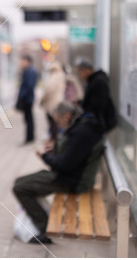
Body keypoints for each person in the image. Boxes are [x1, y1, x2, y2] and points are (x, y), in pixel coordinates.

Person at [13, 101, 105, 244]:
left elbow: (64, 164)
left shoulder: (82, 131)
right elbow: (72, 154)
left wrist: (45, 156)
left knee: (20, 188)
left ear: (67, 115)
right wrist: (56, 148)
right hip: (70, 176)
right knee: (20, 182)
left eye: (58, 121)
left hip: (72, 182)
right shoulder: (82, 124)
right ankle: (44, 219)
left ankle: (45, 229)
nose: (59, 125)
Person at [76, 60, 117, 133]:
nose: (80, 76)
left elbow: (99, 104)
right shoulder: (94, 80)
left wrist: (84, 106)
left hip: (99, 122)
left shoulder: (98, 82)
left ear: (87, 70)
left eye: (80, 72)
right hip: (98, 121)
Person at [40, 61, 66, 142]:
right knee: (55, 121)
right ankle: (54, 139)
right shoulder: (61, 75)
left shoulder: (54, 76)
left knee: (53, 121)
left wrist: (42, 99)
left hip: (52, 102)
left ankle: (53, 139)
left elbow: (49, 89)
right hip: (58, 100)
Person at [16, 55, 38, 144]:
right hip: (28, 98)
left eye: (23, 61)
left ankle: (29, 138)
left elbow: (28, 86)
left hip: (27, 99)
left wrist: (21, 97)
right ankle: (30, 138)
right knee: (28, 119)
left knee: (29, 119)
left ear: (28, 62)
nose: (21, 63)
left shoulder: (30, 71)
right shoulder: (28, 71)